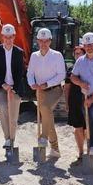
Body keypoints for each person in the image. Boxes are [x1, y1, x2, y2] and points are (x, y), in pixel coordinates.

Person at [27, 28, 66, 158]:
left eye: (46, 41)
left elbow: (61, 75)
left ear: (50, 41)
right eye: (41, 41)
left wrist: (47, 84)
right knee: (48, 117)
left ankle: (43, 137)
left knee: (44, 108)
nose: (43, 43)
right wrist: (32, 83)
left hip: (54, 90)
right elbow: (30, 73)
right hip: (40, 91)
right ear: (37, 41)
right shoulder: (34, 56)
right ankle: (55, 149)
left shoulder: (57, 55)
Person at [0, 24, 26, 149]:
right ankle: (7, 139)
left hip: (15, 87)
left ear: (14, 37)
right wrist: (4, 84)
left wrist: (13, 87)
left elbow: (20, 72)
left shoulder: (19, 52)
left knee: (13, 115)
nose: (8, 39)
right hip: (1, 87)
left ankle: (12, 139)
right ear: (2, 36)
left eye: (11, 37)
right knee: (3, 108)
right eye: (6, 37)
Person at [65, 46, 87, 165]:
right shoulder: (70, 70)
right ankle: (81, 153)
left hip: (88, 100)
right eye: (76, 54)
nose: (78, 55)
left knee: (88, 128)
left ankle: (91, 152)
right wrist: (67, 103)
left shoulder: (89, 68)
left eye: (80, 53)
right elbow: (67, 88)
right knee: (78, 128)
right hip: (75, 101)